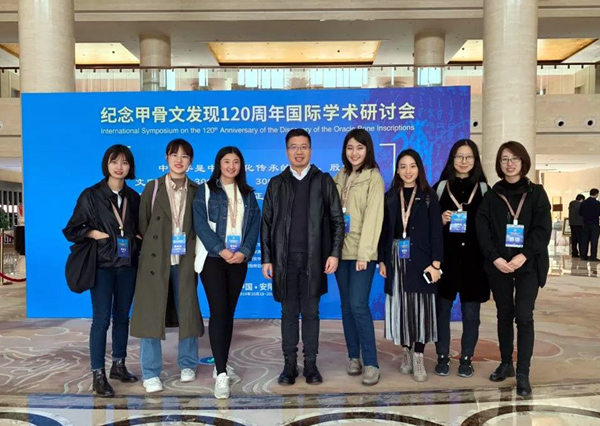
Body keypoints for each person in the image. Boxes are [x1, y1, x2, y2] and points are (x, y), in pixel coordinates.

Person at [261, 128, 345, 386]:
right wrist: (267, 259)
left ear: (311, 150)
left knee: (311, 314)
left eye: (304, 147)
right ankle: (289, 365)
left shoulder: (323, 181)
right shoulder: (276, 183)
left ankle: (310, 364)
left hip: (314, 260)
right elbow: (266, 223)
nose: (299, 152)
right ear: (287, 151)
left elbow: (337, 221)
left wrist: (334, 253)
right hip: (284, 261)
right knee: (288, 314)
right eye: (294, 147)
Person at [63, 144, 140, 397]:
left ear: (130, 167)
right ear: (106, 164)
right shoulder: (91, 195)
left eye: (124, 162)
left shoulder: (134, 197)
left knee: (123, 317)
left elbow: (140, 227)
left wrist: (137, 238)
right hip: (102, 267)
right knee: (101, 320)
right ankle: (98, 373)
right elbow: (71, 229)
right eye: (114, 161)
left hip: (127, 265)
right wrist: (92, 233)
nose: (119, 167)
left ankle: (119, 365)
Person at [476, 141, 551, 398]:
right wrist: (494, 258)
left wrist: (524, 254)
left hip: (528, 265)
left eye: (515, 159)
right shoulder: (491, 195)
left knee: (524, 316)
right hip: (499, 266)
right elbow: (482, 230)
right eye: (505, 159)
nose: (510, 164)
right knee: (504, 314)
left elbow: (542, 230)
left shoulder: (536, 193)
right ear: (499, 163)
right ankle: (506, 363)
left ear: (523, 162)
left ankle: (523, 373)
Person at [130, 138, 204, 393]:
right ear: (166, 158)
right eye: (174, 155)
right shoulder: (152, 188)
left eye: (184, 156)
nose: (179, 160)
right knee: (151, 314)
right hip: (155, 261)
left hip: (185, 261)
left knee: (188, 312)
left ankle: (188, 364)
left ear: (191, 161)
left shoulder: (197, 190)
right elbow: (143, 225)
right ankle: (150, 372)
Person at [193, 146, 261, 399]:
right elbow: (200, 224)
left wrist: (244, 251)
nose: (231, 166)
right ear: (218, 164)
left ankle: (221, 363)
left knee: (228, 313)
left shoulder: (248, 194)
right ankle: (221, 373)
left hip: (238, 261)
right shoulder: (206, 190)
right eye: (226, 161)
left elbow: (254, 225)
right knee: (219, 312)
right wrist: (220, 250)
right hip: (213, 259)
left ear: (241, 166)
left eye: (236, 162)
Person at [378, 149, 443, 383]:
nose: (408, 171)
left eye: (412, 166)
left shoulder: (428, 196)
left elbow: (436, 231)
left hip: (422, 261)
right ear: (397, 170)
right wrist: (382, 260)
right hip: (396, 258)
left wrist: (436, 264)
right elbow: (384, 231)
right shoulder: (390, 196)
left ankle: (418, 356)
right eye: (403, 166)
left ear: (419, 169)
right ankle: (406, 352)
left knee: (421, 310)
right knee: (402, 309)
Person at [432, 139, 489, 379]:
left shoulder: (485, 190)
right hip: (445, 261)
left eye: (469, 157)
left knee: (471, 316)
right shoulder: (440, 188)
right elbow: (426, 225)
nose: (464, 161)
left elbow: (491, 227)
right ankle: (442, 356)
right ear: (452, 159)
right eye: (459, 156)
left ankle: (467, 358)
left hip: (475, 264)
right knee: (441, 312)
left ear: (475, 160)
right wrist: (440, 220)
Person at [333, 129, 384, 386]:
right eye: (350, 147)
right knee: (346, 306)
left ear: (368, 150)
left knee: (358, 305)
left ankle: (372, 363)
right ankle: (354, 357)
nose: (354, 153)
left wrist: (365, 254)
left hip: (362, 253)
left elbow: (374, 218)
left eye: (360, 148)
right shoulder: (340, 175)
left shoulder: (374, 177)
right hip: (340, 252)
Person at [579, 189, 600, 261]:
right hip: (594, 224)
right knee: (594, 241)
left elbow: (580, 213)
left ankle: (583, 256)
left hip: (585, 224)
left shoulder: (584, 203)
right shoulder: (597, 203)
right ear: (596, 194)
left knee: (585, 240)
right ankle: (593, 256)